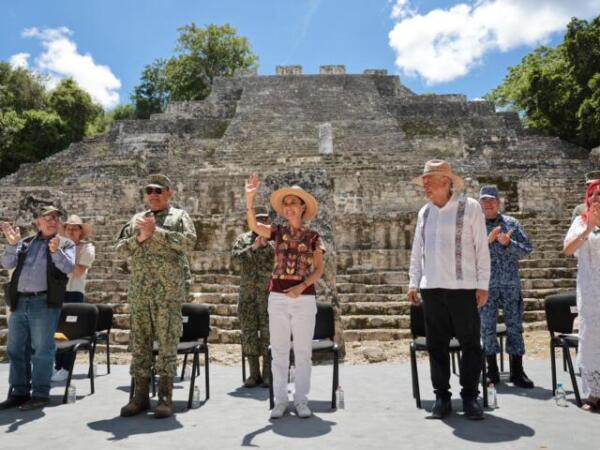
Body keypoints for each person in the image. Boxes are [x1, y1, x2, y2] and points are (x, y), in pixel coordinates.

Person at [407, 160, 490, 420]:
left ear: (446, 181)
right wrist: (413, 282)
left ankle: (469, 397)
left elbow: (481, 248)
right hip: (432, 289)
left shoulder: (470, 207)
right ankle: (441, 396)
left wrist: (483, 284)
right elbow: (417, 251)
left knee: (470, 344)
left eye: (429, 181)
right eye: (424, 182)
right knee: (437, 345)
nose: (425, 186)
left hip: (463, 288)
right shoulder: (425, 212)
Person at [245, 175, 325, 419]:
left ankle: (301, 400)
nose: (289, 206)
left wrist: (301, 287)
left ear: (302, 207)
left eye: (294, 202)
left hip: (304, 297)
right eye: (286, 203)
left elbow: (319, 269)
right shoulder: (276, 232)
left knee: (302, 352)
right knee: (279, 351)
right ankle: (280, 400)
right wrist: (250, 198)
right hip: (277, 297)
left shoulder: (314, 237)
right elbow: (253, 226)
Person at [116, 174, 197, 418]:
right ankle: (139, 397)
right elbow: (120, 249)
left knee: (167, 344)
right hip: (140, 292)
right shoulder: (136, 219)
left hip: (168, 293)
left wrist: (157, 232)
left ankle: (165, 398)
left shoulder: (180, 217)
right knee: (140, 344)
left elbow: (189, 243)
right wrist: (140, 236)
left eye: (159, 190)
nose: (153, 194)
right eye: (149, 190)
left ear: (169, 193)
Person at [0, 206, 75, 410]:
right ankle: (19, 392)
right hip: (20, 301)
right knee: (16, 349)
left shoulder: (66, 244)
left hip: (44, 302)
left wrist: (55, 251)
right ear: (37, 222)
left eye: (56, 218)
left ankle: (40, 393)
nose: (52, 221)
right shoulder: (25, 243)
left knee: (42, 350)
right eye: (47, 217)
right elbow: (6, 264)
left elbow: (68, 268)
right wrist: (11, 245)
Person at [478, 185, 534, 388]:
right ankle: (491, 372)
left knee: (514, 327)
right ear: (480, 204)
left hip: (510, 284)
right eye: (484, 201)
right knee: (487, 328)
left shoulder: (511, 223)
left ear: (499, 202)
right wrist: (487, 241)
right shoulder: (474, 225)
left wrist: (508, 244)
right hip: (486, 287)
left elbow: (528, 250)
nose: (489, 204)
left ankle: (517, 372)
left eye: (492, 200)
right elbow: (467, 256)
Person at [564, 179, 600, 412]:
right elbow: (567, 250)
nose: (597, 198)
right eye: (593, 195)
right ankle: (594, 393)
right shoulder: (580, 221)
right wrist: (589, 229)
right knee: (591, 341)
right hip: (590, 292)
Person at [231, 207, 274, 388]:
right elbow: (234, 260)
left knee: (268, 334)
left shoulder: (276, 241)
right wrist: (254, 247)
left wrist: (265, 246)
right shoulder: (242, 240)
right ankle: (253, 374)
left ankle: (267, 374)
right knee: (248, 333)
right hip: (248, 294)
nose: (262, 222)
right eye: (258, 219)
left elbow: (278, 261)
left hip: (268, 294)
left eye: (265, 219)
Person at [52, 215, 96, 382]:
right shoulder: (59, 245)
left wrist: (61, 260)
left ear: (80, 231)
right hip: (57, 291)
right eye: (68, 227)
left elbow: (78, 273)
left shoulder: (87, 248)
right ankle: (57, 366)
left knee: (70, 330)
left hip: (74, 292)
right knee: (55, 330)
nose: (71, 231)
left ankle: (66, 367)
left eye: (75, 228)